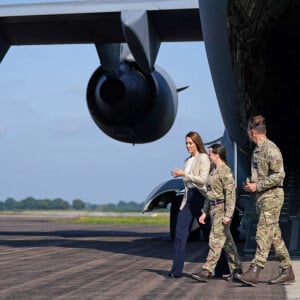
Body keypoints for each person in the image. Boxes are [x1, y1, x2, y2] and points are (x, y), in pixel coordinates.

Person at [236, 115, 295, 286]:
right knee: (274, 236)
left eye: (248, 130)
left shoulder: (271, 149)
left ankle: (255, 270)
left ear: (252, 131)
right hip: (262, 197)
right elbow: (261, 174)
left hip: (272, 196)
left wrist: (258, 185)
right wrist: (251, 184)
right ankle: (287, 270)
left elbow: (279, 175)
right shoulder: (257, 150)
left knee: (262, 233)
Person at [192, 143, 242, 282]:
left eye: (210, 154)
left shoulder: (226, 172)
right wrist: (204, 212)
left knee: (214, 240)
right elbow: (209, 195)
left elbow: (231, 196)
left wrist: (228, 215)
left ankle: (207, 270)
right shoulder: (213, 171)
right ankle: (237, 269)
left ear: (217, 155)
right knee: (227, 242)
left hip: (222, 209)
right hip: (214, 209)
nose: (209, 156)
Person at [168, 131, 211, 278]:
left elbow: (203, 180)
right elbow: (188, 183)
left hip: (200, 197)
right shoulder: (187, 160)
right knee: (180, 233)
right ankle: (176, 270)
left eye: (190, 143)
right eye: (186, 143)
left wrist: (184, 175)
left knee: (209, 234)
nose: (187, 146)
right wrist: (182, 175)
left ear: (196, 143)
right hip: (188, 198)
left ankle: (222, 267)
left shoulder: (204, 158)